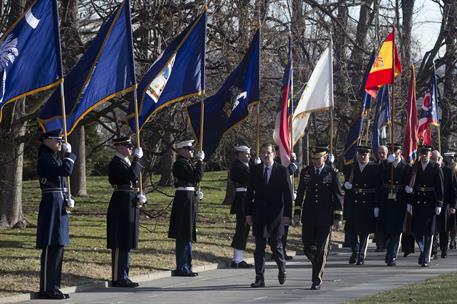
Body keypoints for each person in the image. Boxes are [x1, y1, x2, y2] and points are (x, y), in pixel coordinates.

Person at [294, 145, 343, 290]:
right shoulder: (306, 172)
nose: (315, 161)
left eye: (318, 158)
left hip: (325, 217)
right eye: (313, 158)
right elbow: (301, 193)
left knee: (321, 248)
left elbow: (338, 195)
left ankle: (316, 279)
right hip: (309, 216)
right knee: (308, 246)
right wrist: (297, 213)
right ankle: (317, 262)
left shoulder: (332, 173)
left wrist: (337, 217)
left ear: (325, 158)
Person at [36, 129, 76, 299]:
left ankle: (54, 286)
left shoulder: (53, 156)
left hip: (58, 203)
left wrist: (67, 197)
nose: (60, 143)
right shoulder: (44, 158)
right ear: (47, 140)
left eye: (61, 141)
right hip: (51, 204)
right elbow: (65, 171)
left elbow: (61, 180)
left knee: (58, 245)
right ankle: (46, 288)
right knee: (50, 245)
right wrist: (70, 155)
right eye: (57, 141)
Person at [245, 143, 293, 288]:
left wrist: (287, 215)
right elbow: (249, 194)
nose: (266, 155)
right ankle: (259, 278)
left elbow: (288, 195)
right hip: (259, 215)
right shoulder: (255, 170)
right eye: (263, 152)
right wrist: (248, 214)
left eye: (268, 152)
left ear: (274, 154)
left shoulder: (282, 171)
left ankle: (282, 268)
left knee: (276, 246)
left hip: (276, 216)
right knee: (259, 248)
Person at [107, 137, 145, 287]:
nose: (131, 148)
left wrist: (140, 196)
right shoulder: (116, 163)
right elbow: (130, 176)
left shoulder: (126, 161)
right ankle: (118, 277)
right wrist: (137, 159)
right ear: (118, 146)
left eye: (131, 145)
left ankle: (124, 274)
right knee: (120, 240)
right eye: (128, 145)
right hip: (120, 202)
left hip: (129, 200)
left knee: (127, 240)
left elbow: (133, 179)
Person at [168, 140, 205, 276]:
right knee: (183, 233)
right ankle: (182, 267)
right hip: (183, 198)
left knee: (188, 233)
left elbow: (194, 180)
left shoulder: (187, 163)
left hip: (188, 196)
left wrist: (196, 193)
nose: (191, 151)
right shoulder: (179, 164)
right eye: (188, 148)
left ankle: (187, 266)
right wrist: (200, 163)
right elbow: (197, 176)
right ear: (181, 150)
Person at [405, 145, 443, 267]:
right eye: (422, 153)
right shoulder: (415, 167)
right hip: (418, 202)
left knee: (428, 233)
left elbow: (440, 187)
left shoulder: (435, 167)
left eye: (426, 153)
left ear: (430, 154)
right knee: (416, 231)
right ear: (420, 154)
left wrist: (439, 203)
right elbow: (412, 185)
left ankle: (425, 257)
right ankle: (423, 250)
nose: (424, 155)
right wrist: (410, 202)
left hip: (430, 202)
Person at [343, 146, 381, 265]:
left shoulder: (375, 168)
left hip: (367, 203)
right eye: (360, 154)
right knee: (351, 231)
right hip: (354, 202)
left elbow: (378, 187)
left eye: (365, 154)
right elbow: (342, 177)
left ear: (369, 155)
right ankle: (355, 251)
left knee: (364, 232)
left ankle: (361, 255)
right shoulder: (352, 168)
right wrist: (346, 185)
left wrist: (376, 205)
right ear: (357, 155)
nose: (363, 156)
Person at [379, 144, 410, 266]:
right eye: (391, 151)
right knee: (386, 230)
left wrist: (409, 201)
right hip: (387, 201)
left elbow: (408, 183)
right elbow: (379, 174)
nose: (393, 153)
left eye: (395, 151)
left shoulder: (405, 167)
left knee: (397, 231)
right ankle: (389, 251)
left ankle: (392, 256)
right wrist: (387, 163)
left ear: (400, 152)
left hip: (400, 200)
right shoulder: (386, 165)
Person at [229, 145, 253, 268]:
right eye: (245, 154)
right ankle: (237, 259)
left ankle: (238, 258)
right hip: (242, 198)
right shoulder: (236, 167)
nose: (248, 156)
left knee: (245, 229)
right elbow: (248, 179)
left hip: (247, 198)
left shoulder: (248, 165)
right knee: (242, 229)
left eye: (249, 154)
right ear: (239, 155)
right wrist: (256, 169)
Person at [273, 146, 298, 261]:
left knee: (285, 227)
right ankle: (277, 251)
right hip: (277, 199)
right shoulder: (275, 163)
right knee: (278, 228)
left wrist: (293, 161)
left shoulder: (285, 161)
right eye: (278, 150)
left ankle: (282, 249)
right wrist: (293, 164)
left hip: (285, 198)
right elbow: (287, 172)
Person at [431, 150, 457, 259]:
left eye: (437, 159)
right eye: (433, 159)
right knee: (433, 229)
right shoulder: (429, 170)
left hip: (445, 204)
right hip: (432, 204)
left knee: (444, 229)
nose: (435, 161)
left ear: (441, 159)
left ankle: (444, 249)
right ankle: (433, 250)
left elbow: (453, 190)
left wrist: (453, 206)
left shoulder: (448, 171)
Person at [374, 145, 388, 252]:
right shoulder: (374, 165)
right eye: (379, 153)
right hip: (376, 198)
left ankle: (385, 243)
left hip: (388, 198)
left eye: (383, 153)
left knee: (386, 222)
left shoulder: (390, 165)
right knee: (378, 223)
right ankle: (379, 243)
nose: (381, 155)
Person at [443, 152, 457, 250]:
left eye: (452, 159)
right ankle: (448, 239)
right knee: (449, 221)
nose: (451, 161)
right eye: (449, 159)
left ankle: (453, 239)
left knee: (454, 221)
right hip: (450, 199)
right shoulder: (445, 170)